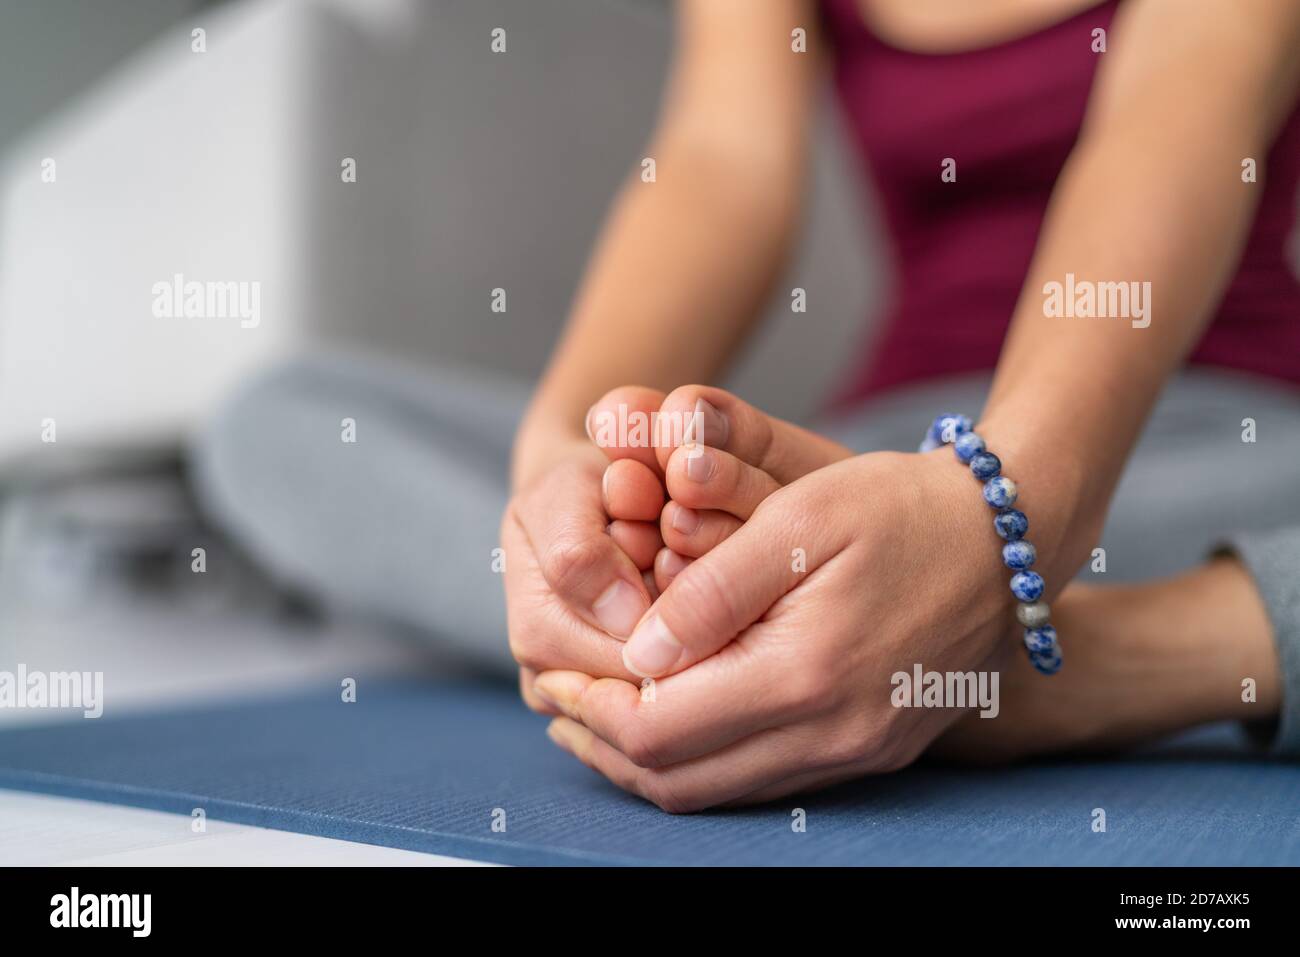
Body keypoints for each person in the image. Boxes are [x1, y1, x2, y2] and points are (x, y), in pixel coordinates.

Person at [194, 0, 1300, 811]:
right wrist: (572, 455)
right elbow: (724, 158)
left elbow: (1166, 128)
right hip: (878, 452)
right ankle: (796, 636)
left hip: (1184, 436)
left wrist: (1003, 508)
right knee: (283, 418)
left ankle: (1049, 660)